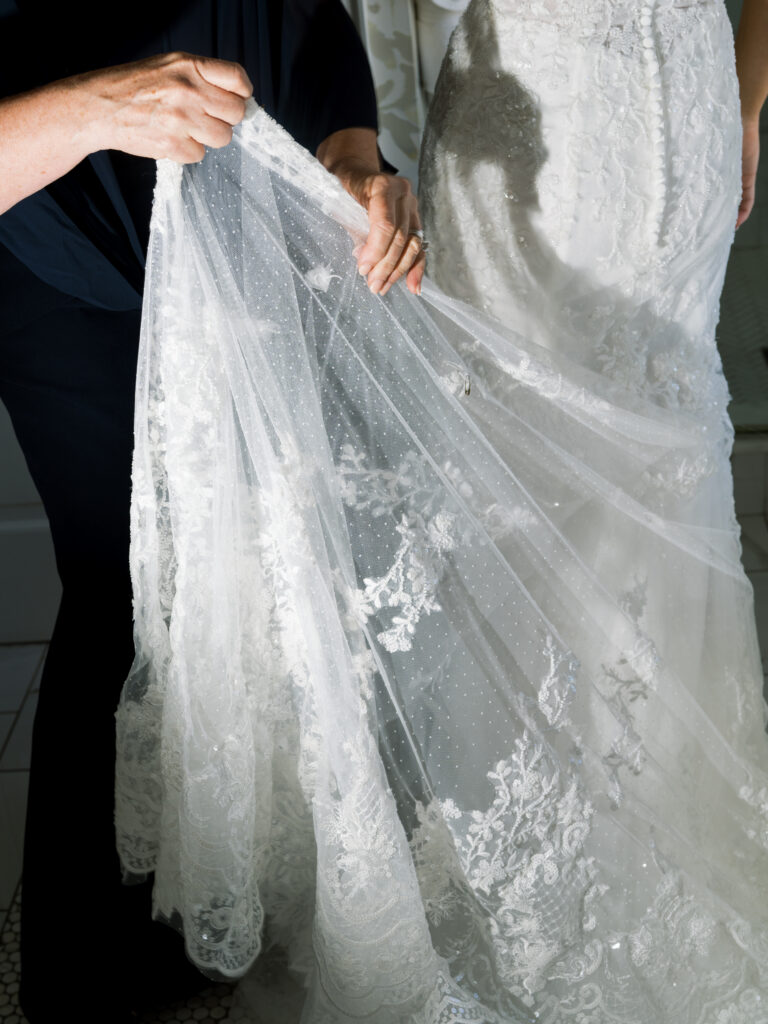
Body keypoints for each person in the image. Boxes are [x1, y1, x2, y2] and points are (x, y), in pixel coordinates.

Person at [114, 6, 768, 1019]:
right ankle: (524, 885)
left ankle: (664, 839)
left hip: (695, 104)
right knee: (528, 502)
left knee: (673, 466)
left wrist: (748, 96)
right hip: (539, 129)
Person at [0, 3, 425, 1021]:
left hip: (254, 217)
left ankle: (210, 906)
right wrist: (89, 108)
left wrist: (350, 151)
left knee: (268, 571)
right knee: (127, 592)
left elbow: (309, 14)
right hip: (65, 239)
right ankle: (80, 970)